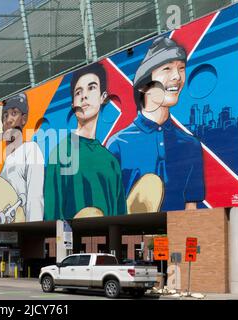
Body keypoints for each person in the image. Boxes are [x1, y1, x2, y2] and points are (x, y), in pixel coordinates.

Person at [106, 36, 205, 211]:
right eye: (167, 68)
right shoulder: (117, 145)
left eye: (181, 68)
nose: (177, 76)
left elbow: (192, 210)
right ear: (143, 85)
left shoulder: (191, 145)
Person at [44, 63, 127, 220]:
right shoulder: (62, 153)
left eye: (91, 87)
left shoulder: (111, 161)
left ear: (103, 97)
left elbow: (122, 217)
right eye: (78, 92)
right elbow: (52, 215)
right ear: (73, 105)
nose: (84, 96)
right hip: (72, 243)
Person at [0, 93, 44, 222]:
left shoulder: (31, 150)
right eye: (5, 116)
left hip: (26, 229)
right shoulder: (7, 162)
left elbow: (35, 197)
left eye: (14, 113)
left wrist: (32, 229)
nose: (8, 120)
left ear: (23, 119)